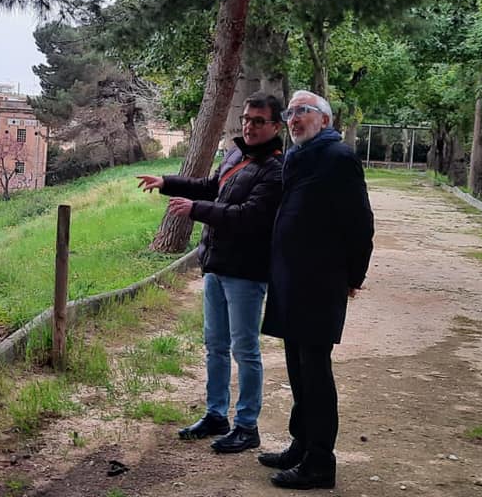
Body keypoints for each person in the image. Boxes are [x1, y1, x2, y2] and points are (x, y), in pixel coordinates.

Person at [137, 92, 285, 454]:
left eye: (258, 121)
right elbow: (211, 187)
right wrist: (167, 182)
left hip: (246, 273)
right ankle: (216, 414)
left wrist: (196, 210)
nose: (249, 126)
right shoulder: (237, 153)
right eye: (247, 119)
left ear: (276, 126)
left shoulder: (276, 170)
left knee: (245, 350)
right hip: (216, 265)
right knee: (214, 346)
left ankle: (247, 426)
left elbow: (249, 216)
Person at [257, 90, 374, 490]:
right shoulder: (297, 156)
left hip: (320, 282)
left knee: (315, 373)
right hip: (291, 279)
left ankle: (320, 461)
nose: (294, 119)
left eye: (304, 112)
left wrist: (353, 278)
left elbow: (360, 224)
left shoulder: (338, 158)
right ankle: (301, 444)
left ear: (324, 120)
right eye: (290, 113)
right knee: (297, 368)